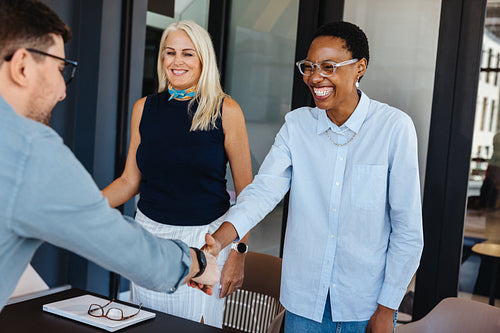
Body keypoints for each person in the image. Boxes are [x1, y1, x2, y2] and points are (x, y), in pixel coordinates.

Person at [203, 21, 424, 333]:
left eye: (329, 66)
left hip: (364, 307)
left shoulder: (393, 129)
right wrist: (217, 242)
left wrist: (386, 310)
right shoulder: (297, 127)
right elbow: (261, 193)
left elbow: (408, 232)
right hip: (304, 305)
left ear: (359, 67)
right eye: (309, 66)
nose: (315, 76)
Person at [0, 0, 219, 312]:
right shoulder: (29, 149)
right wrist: (195, 261)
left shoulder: (225, 111)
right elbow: (123, 244)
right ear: (22, 66)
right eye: (61, 69)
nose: (63, 91)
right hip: (160, 243)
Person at [101, 21, 252, 327]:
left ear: (203, 60)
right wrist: (82, 207)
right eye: (170, 53)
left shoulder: (226, 110)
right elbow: (129, 181)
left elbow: (248, 193)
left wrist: (239, 253)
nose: (177, 61)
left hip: (203, 241)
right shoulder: (144, 108)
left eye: (187, 53)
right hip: (147, 237)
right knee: (143, 324)